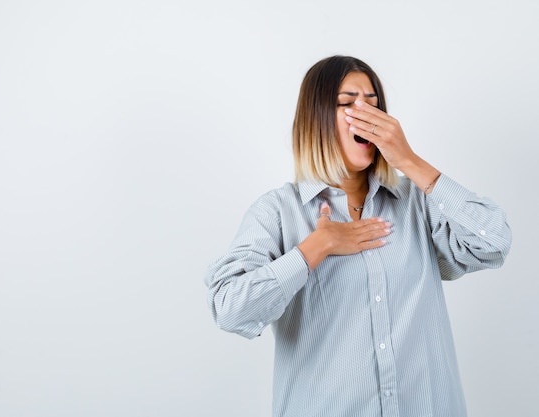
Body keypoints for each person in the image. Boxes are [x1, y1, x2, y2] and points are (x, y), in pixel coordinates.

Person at [204, 55, 512, 417]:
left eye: (374, 103)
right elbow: (231, 310)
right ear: (315, 119)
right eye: (347, 103)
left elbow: (493, 243)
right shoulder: (276, 212)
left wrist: (409, 161)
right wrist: (315, 249)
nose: (366, 114)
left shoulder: (417, 201)